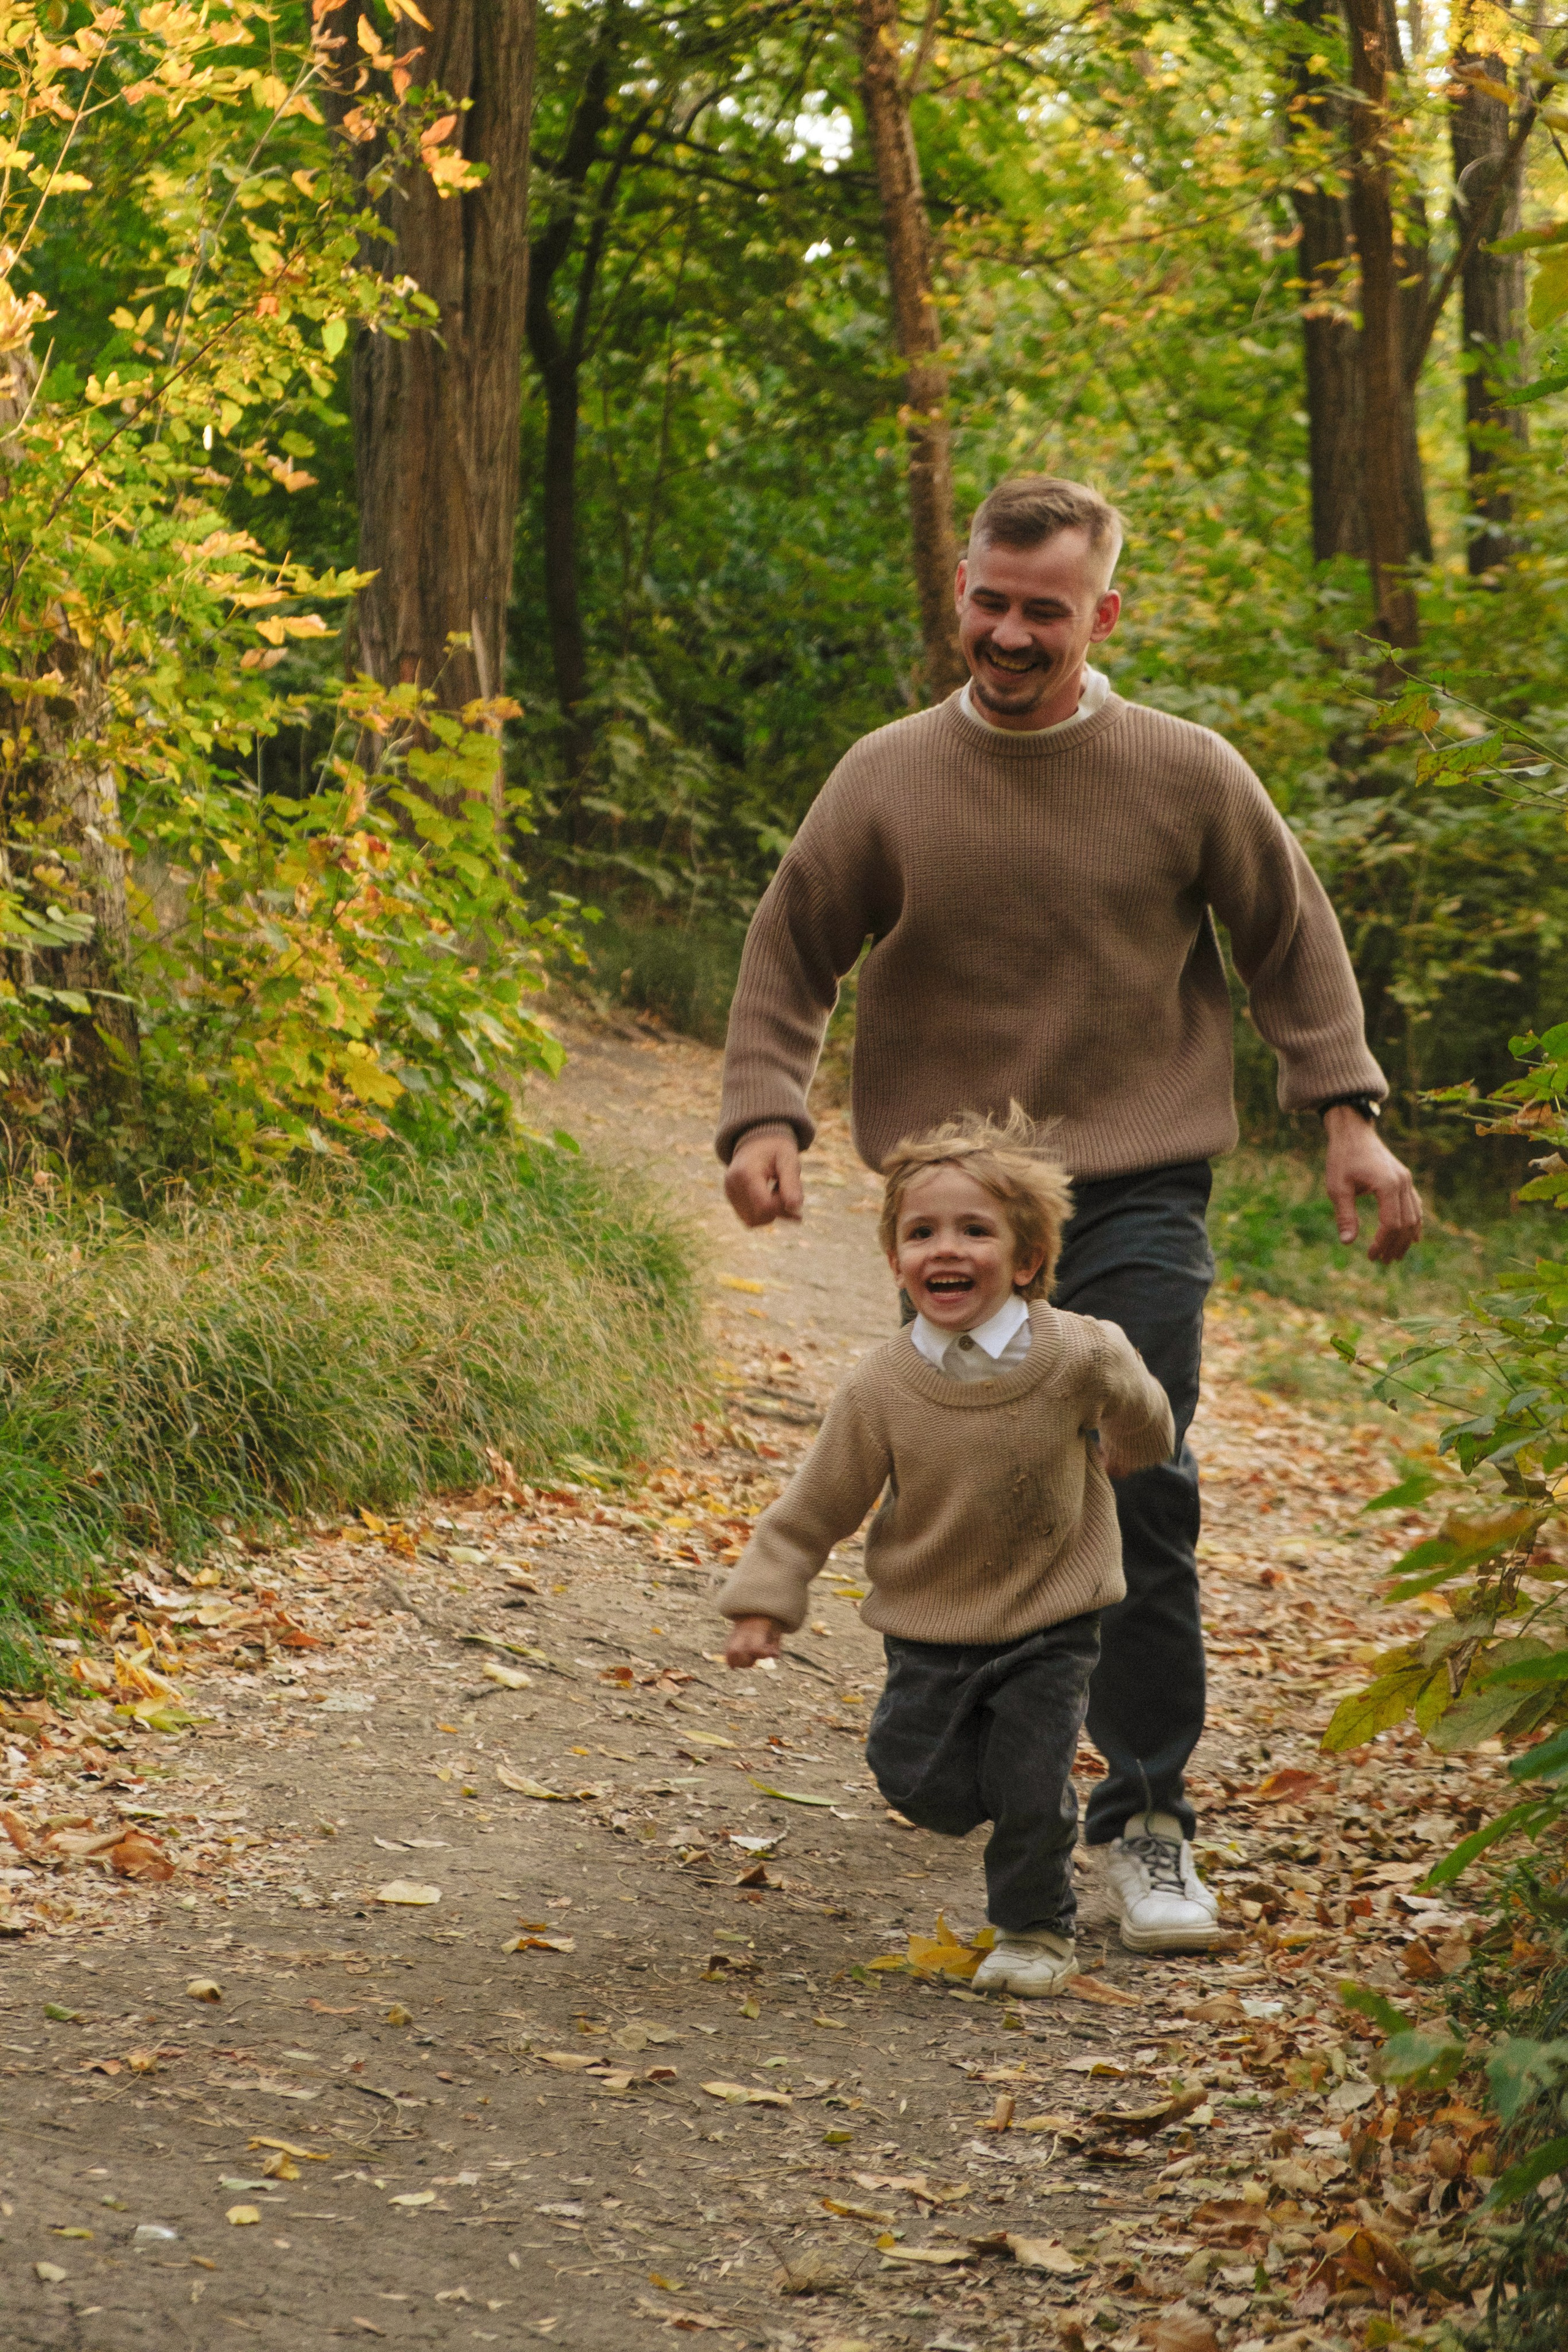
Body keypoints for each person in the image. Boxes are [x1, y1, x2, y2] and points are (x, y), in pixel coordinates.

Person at [715, 474, 1423, 1954]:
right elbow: (790, 945)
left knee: (1136, 1475)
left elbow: (1289, 938)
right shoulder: (887, 775)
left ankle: (1146, 1814)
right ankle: (984, 1738)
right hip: (954, 1198)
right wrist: (765, 1111)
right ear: (959, 591)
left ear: (1103, 612)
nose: (1009, 633)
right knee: (967, 1476)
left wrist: (1344, 1116)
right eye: (989, 600)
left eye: (1044, 610)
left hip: (1136, 1179)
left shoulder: (1182, 770)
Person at [720, 1109, 1174, 1995]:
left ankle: (1035, 1929)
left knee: (1030, 1783)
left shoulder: (1082, 1354)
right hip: (930, 1621)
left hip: (1052, 1612)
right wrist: (763, 1602)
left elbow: (1146, 1413)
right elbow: (819, 1502)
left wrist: (1129, 1437)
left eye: (975, 1230)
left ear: (1027, 1259)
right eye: (921, 1232)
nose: (945, 1249)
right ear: (897, 1261)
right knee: (914, 1778)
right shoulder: (882, 1386)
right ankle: (1004, 1800)